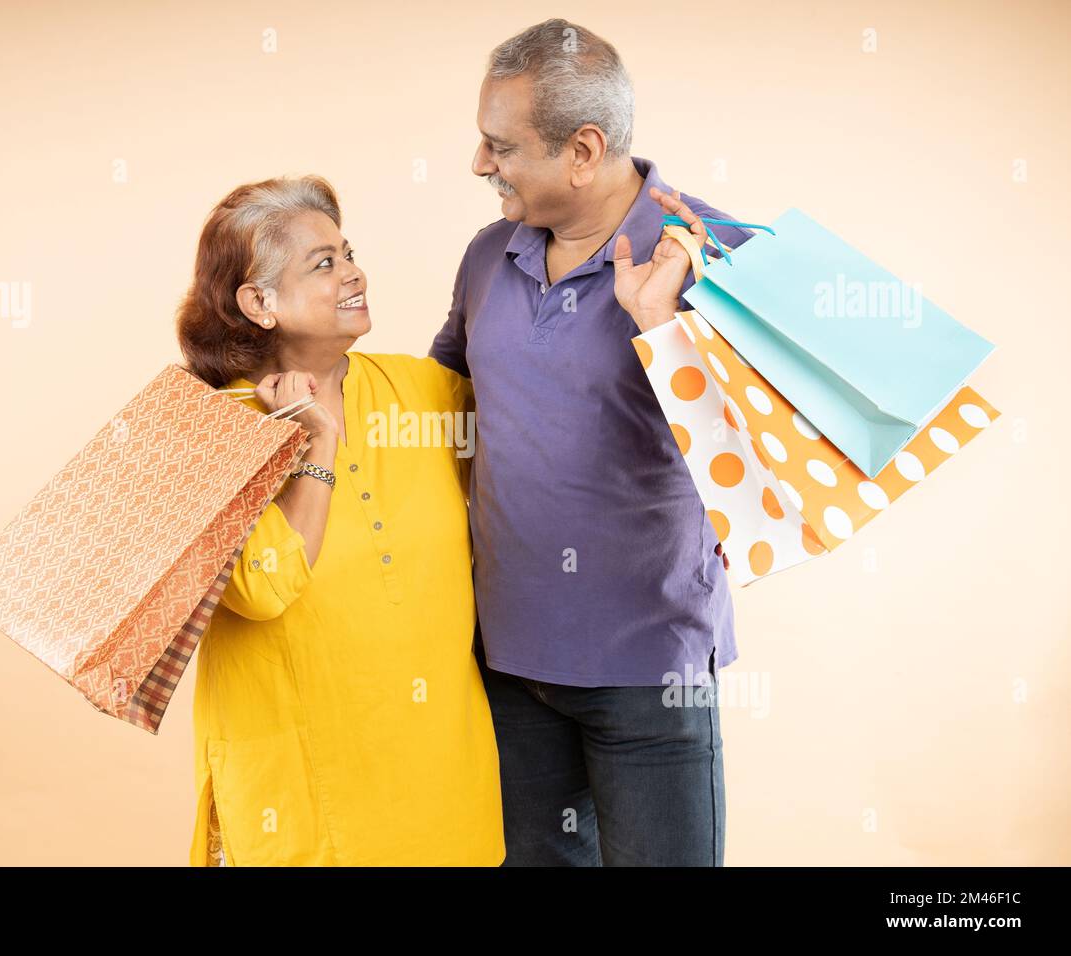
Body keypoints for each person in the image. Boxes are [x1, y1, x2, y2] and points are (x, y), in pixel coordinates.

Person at [428, 18, 751, 866]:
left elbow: (762, 466)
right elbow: (440, 404)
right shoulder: (487, 255)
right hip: (509, 661)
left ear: (583, 149)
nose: (477, 165)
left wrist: (659, 325)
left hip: (649, 671)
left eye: (500, 146)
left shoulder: (721, 257)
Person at [177, 174, 503, 866]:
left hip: (441, 795)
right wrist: (317, 442)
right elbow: (263, 588)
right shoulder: (214, 433)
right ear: (258, 302)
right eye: (323, 263)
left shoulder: (418, 392)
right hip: (301, 803)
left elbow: (539, 454)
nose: (354, 273)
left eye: (348, 253)